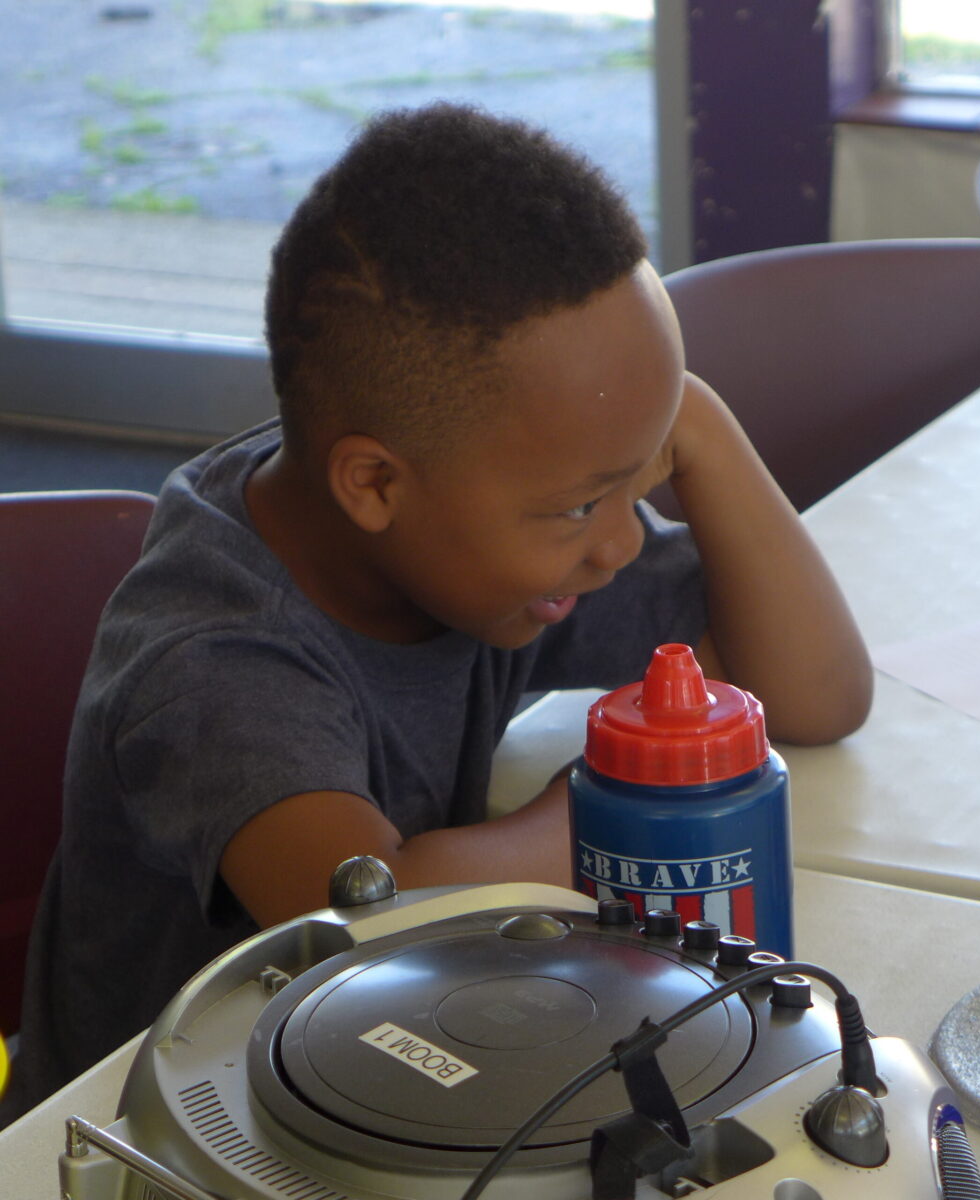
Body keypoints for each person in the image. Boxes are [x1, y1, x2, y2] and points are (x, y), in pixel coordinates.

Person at [0, 102, 872, 1124]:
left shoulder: (469, 532)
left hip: (394, 1080)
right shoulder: (214, 662)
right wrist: (631, 794)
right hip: (172, 1134)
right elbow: (380, 915)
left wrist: (699, 422)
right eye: (586, 502)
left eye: (637, 480)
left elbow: (814, 691)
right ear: (373, 484)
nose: (623, 541)